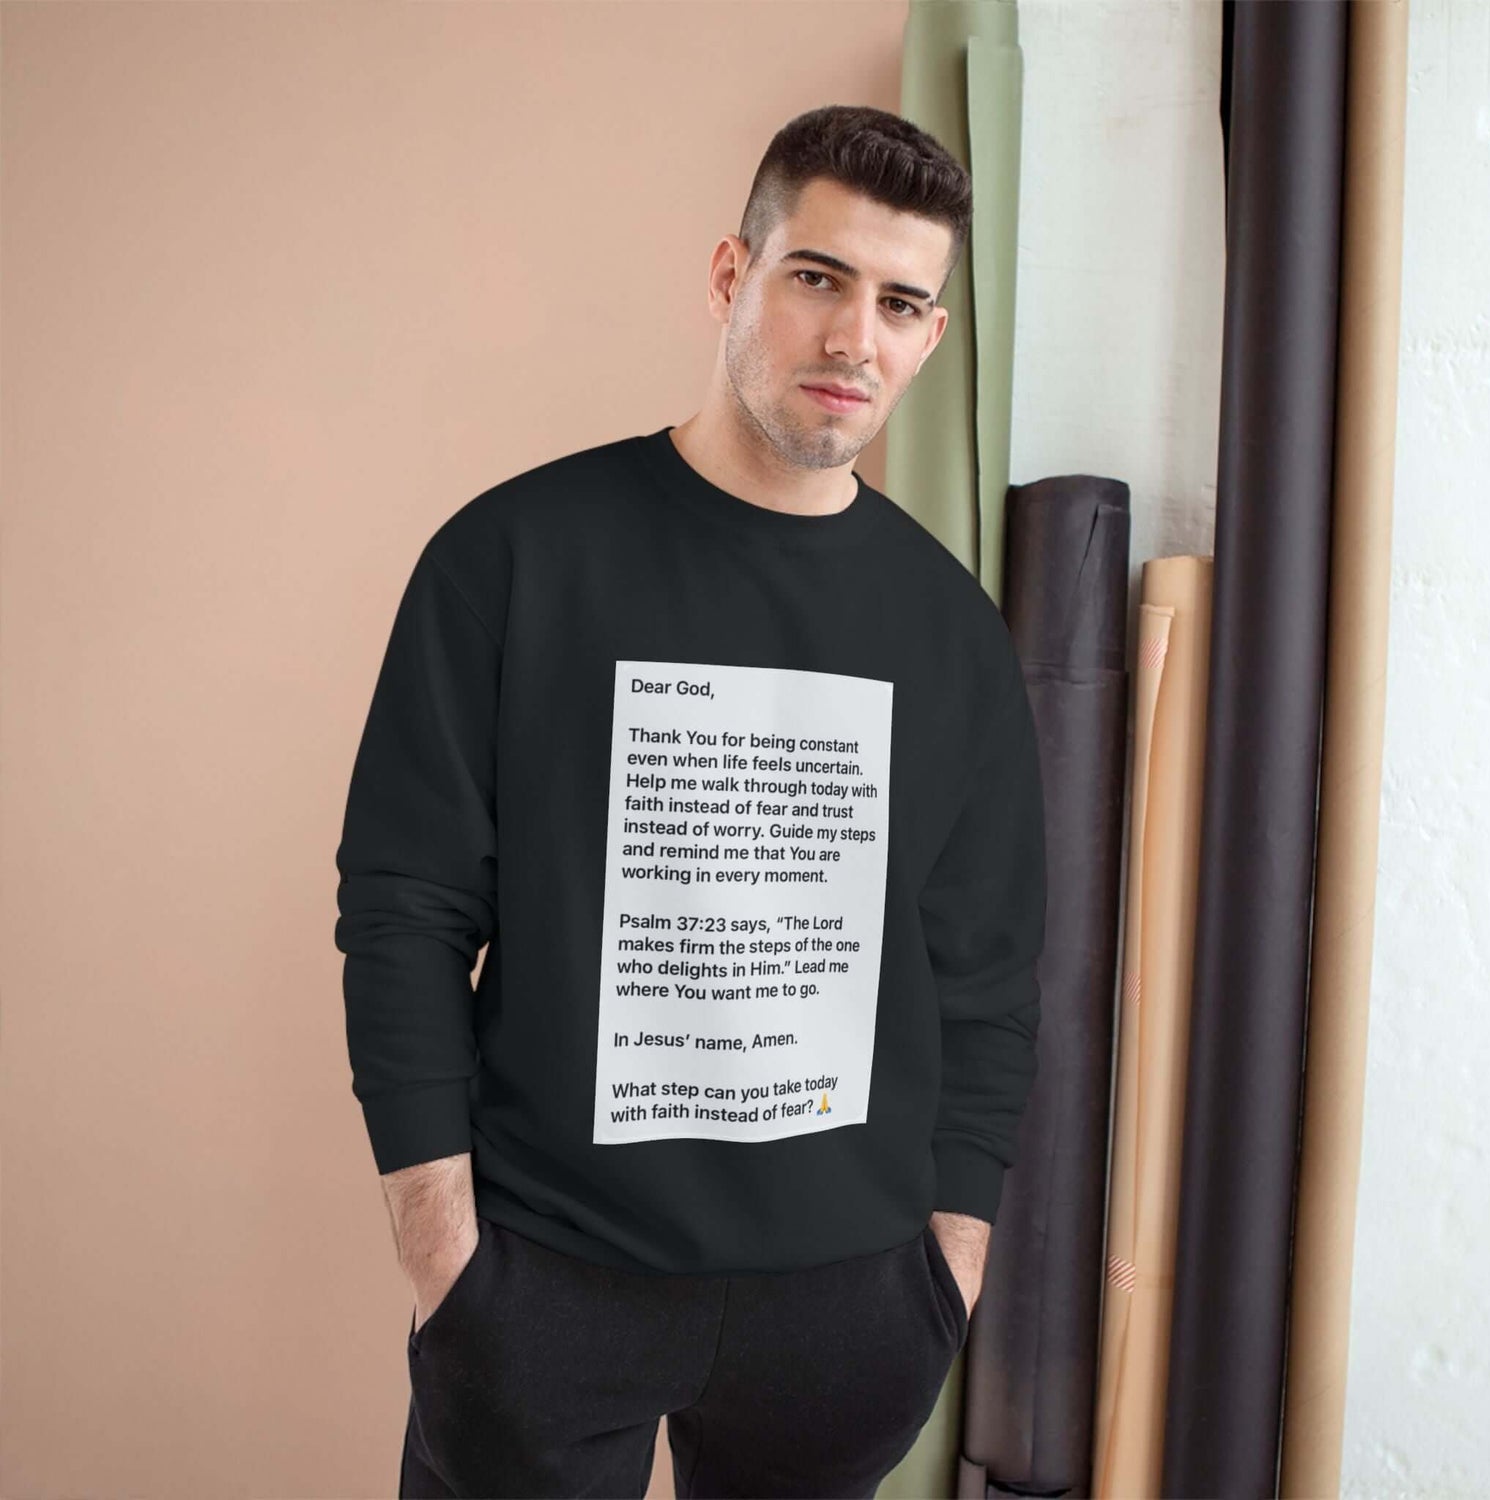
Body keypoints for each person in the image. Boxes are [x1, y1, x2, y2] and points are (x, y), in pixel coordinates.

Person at [334, 102, 1047, 1500]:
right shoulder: (513, 557)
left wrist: (946, 1273)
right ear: (733, 275)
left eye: (901, 303)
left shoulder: (954, 633)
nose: (855, 339)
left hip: (849, 1310)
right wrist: (442, 1251)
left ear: (928, 339)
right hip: (545, 1283)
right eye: (818, 277)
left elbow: (988, 979)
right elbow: (406, 910)